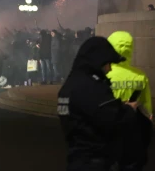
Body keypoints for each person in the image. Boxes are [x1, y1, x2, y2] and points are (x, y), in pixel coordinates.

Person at [57, 37, 139, 171]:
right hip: (96, 162)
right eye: (108, 63)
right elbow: (113, 121)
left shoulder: (69, 86)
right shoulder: (91, 87)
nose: (110, 69)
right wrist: (129, 109)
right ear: (97, 61)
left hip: (76, 159)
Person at [107, 31, 153, 170]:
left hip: (107, 134)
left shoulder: (100, 75)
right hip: (132, 136)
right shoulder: (140, 76)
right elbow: (147, 111)